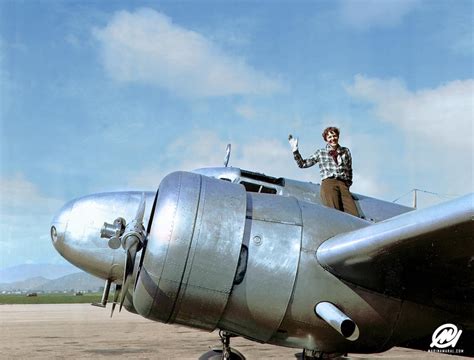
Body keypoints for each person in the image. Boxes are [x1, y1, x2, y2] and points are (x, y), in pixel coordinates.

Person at [288, 127, 359, 217]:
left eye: (334, 135)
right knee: (335, 213)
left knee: (354, 214)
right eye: (329, 137)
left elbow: (349, 169)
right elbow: (303, 164)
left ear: (337, 136)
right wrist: (295, 151)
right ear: (326, 139)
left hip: (343, 184)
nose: (332, 138)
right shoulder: (321, 152)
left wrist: (347, 184)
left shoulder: (345, 151)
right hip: (329, 183)